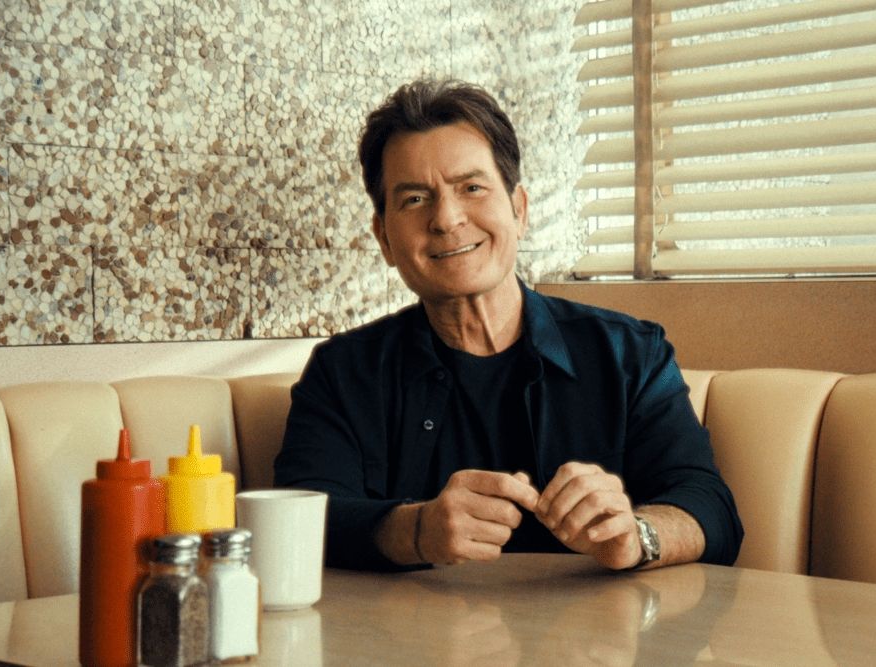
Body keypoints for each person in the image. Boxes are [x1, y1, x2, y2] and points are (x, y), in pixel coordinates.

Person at [275, 79, 743, 572]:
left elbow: (709, 506)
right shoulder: (344, 372)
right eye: (415, 200)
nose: (447, 219)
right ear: (385, 239)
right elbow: (300, 516)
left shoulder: (631, 354)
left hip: (600, 645)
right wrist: (415, 530)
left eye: (471, 188)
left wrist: (636, 535)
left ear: (519, 210)